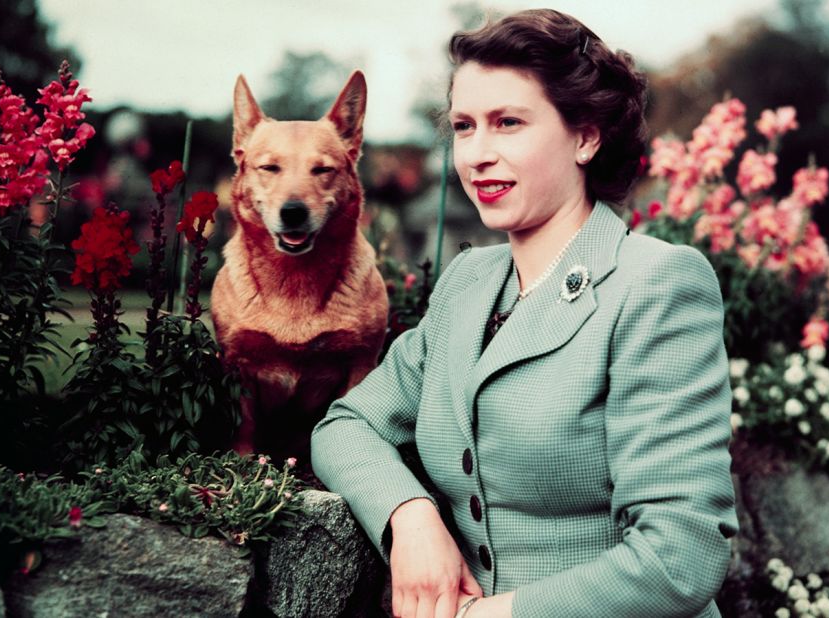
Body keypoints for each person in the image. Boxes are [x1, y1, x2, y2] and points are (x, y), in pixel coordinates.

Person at [311, 8, 738, 618]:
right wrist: (411, 517)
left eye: (508, 123)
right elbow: (345, 427)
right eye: (464, 126)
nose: (478, 153)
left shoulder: (658, 284)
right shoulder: (467, 283)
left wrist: (495, 615)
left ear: (586, 136)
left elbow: (682, 554)